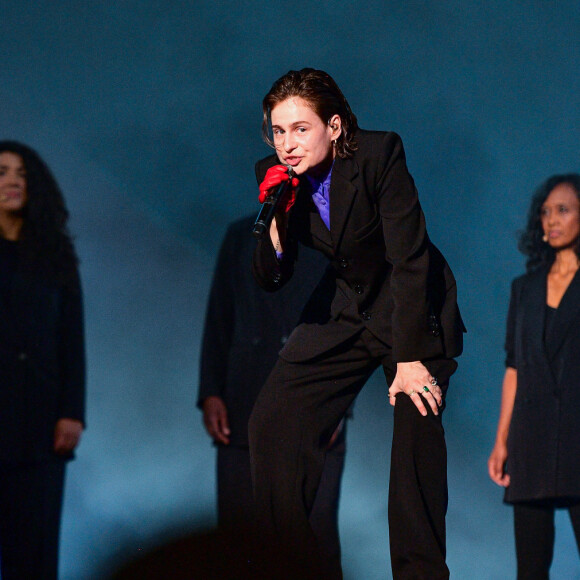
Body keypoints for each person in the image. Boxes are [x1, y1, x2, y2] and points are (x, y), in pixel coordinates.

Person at [248, 68, 465, 580]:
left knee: (417, 426)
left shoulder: (379, 154)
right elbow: (270, 277)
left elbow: (410, 258)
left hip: (410, 304)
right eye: (279, 132)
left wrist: (409, 358)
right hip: (346, 309)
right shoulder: (278, 177)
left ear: (336, 125)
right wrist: (276, 218)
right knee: (272, 423)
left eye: (301, 129)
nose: (287, 144)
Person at [198, 214, 348, 579]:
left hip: (314, 408)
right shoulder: (241, 234)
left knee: (313, 540)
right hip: (242, 403)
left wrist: (341, 404)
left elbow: (351, 328)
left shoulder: (338, 238)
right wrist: (210, 392)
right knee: (239, 541)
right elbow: (220, 313)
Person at [0, 141, 85, 580]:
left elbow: (72, 339)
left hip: (41, 422)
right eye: (2, 172)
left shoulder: (56, 256)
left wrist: (72, 412)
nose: (12, 181)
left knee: (33, 556)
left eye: (21, 173)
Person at [488, 174, 580, 579]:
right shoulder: (523, 288)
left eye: (563, 210)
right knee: (530, 570)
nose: (551, 220)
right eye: (545, 212)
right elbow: (514, 367)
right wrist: (501, 439)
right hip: (531, 437)